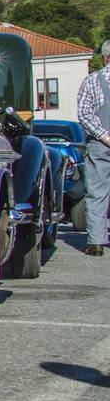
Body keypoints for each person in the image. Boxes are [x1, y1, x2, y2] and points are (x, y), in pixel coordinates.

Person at [76, 39, 110, 256]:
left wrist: (104, 135)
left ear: (105, 57)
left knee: (97, 193)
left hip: (100, 145)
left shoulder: (91, 81)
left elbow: (84, 113)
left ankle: (96, 243)